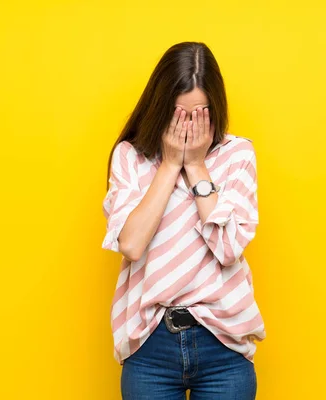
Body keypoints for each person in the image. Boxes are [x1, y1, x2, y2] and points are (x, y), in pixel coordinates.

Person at [102, 41, 266, 400]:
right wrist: (171, 164)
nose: (190, 125)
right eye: (180, 114)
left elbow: (227, 249)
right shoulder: (131, 157)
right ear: (161, 107)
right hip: (150, 347)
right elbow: (130, 244)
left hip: (223, 344)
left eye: (201, 113)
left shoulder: (238, 154)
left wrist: (195, 166)